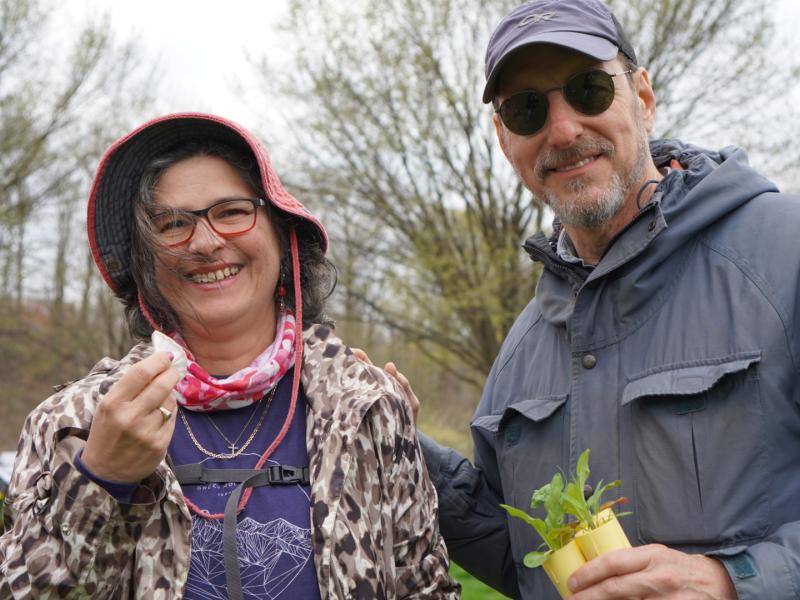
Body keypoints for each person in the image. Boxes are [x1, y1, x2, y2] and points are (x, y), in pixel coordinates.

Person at [414, 0, 800, 598]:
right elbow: (524, 563)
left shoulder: (785, 253)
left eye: (589, 90)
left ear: (641, 98)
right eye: (526, 108)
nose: (563, 131)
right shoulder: (519, 353)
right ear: (503, 137)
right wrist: (397, 444)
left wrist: (734, 583)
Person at [0, 113, 460, 599]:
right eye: (172, 224)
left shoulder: (368, 408)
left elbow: (425, 588)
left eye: (233, 212)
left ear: (284, 238)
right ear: (145, 265)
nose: (205, 242)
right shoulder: (73, 425)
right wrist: (100, 482)